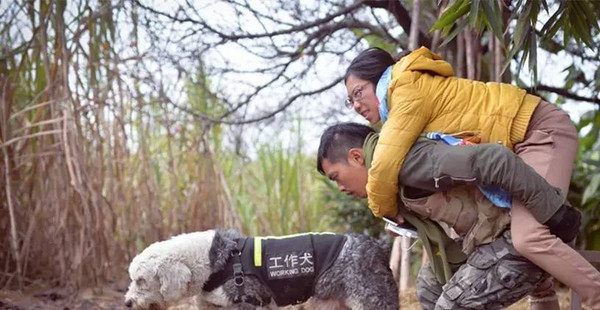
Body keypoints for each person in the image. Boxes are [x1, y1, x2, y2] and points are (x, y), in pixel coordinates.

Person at [343, 47, 600, 307]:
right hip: (519, 143)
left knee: (528, 236)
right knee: (520, 237)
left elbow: (384, 164)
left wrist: (385, 210)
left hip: (539, 131)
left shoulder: (405, 88)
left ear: (379, 79)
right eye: (350, 100)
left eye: (358, 93)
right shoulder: (404, 96)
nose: (355, 105)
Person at [316, 122, 575, 309]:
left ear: (357, 157)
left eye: (336, 177)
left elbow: (494, 158)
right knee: (429, 287)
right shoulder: (388, 182)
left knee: (451, 304)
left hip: (518, 235)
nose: (340, 188)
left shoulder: (409, 163)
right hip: (488, 238)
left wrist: (556, 214)